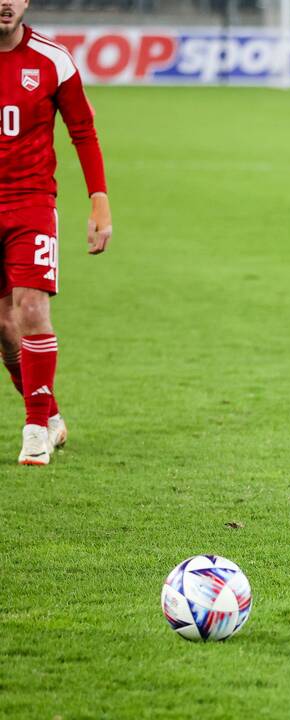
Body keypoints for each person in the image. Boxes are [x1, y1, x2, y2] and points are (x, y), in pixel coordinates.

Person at [0, 0, 111, 465]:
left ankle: (32, 431)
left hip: (31, 203)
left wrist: (99, 201)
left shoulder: (52, 59)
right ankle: (49, 413)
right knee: (4, 329)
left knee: (30, 308)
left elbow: (83, 130)